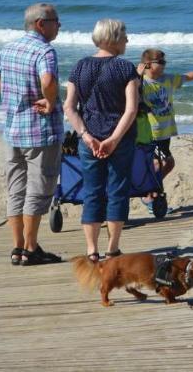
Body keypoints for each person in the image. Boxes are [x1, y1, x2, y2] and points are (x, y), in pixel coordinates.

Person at [0, 2, 65, 266]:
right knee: (38, 190)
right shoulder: (45, 51)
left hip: (12, 129)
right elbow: (48, 81)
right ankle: (30, 249)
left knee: (16, 189)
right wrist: (49, 102)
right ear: (41, 24)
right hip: (39, 130)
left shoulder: (10, 47)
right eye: (55, 21)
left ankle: (17, 248)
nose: (59, 26)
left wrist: (7, 92)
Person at [63, 19, 140, 262]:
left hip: (90, 140)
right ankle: (113, 248)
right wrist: (114, 139)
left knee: (92, 192)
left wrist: (86, 136)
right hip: (121, 139)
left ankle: (91, 250)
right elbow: (131, 110)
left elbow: (69, 107)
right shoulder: (125, 68)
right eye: (123, 35)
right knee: (118, 191)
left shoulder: (80, 67)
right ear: (112, 39)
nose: (127, 40)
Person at [135, 48, 193, 206]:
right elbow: (127, 94)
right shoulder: (140, 81)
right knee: (159, 163)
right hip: (150, 132)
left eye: (165, 62)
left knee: (168, 163)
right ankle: (150, 196)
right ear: (147, 64)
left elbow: (188, 76)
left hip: (165, 131)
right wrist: (137, 75)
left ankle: (148, 191)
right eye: (160, 62)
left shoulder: (167, 79)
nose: (164, 65)